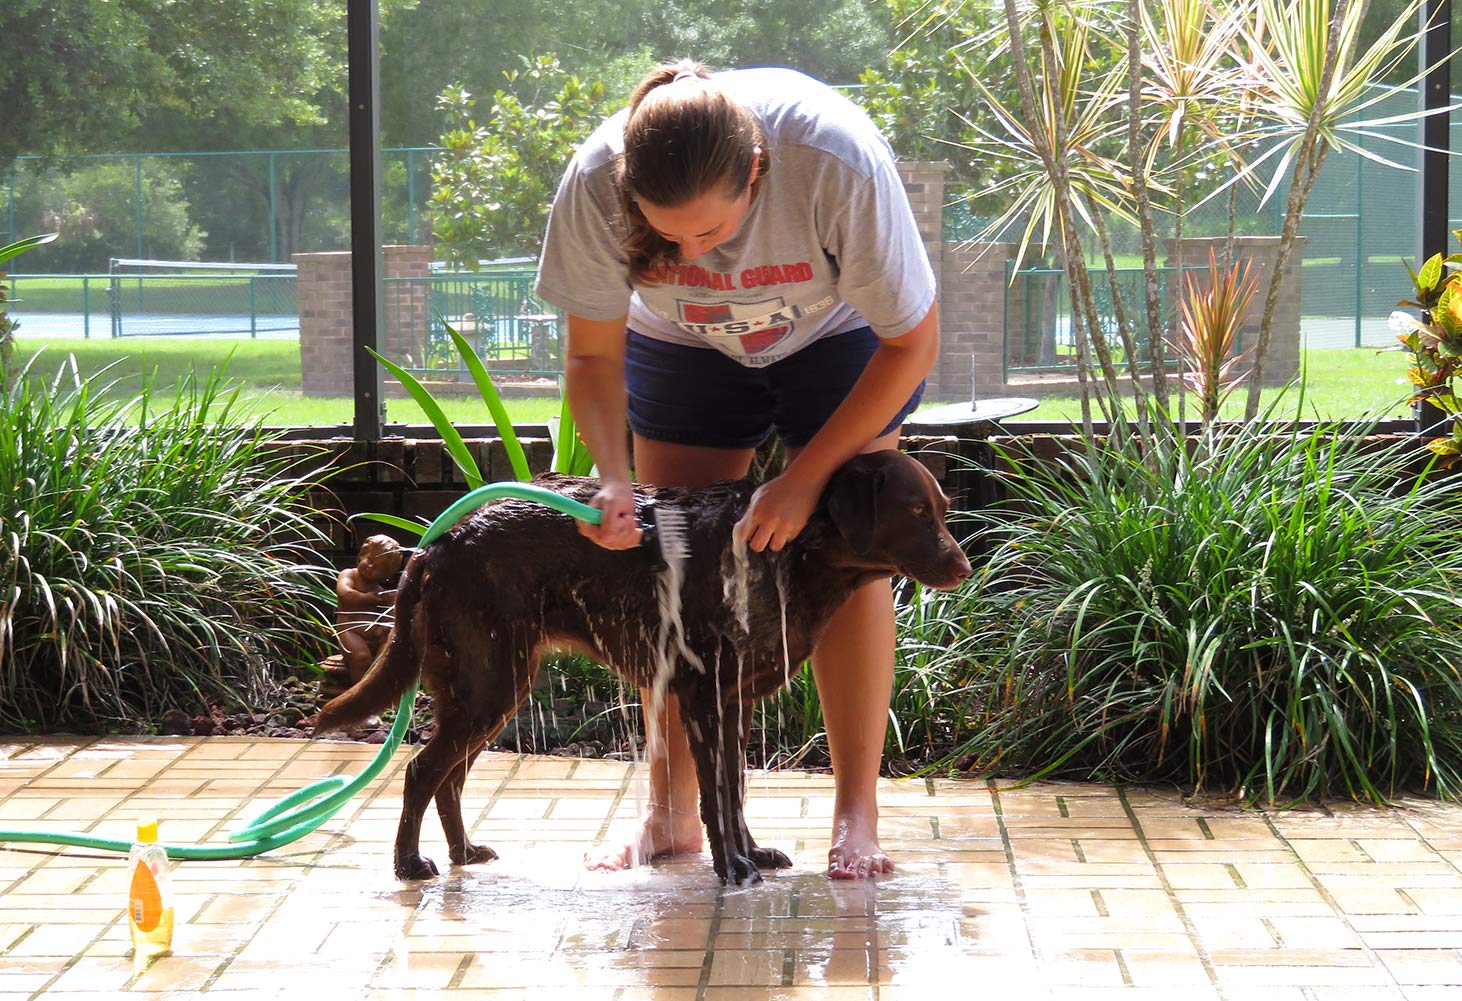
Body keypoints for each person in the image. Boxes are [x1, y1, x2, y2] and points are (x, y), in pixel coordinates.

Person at [535, 59, 939, 879]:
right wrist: (613, 476)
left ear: (756, 170)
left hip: (840, 336)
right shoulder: (594, 182)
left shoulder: (836, 162)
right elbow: (589, 355)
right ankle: (670, 814)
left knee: (852, 553)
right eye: (667, 237)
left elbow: (914, 343)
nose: (692, 254)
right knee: (679, 566)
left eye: (711, 233)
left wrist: (805, 478)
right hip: (684, 345)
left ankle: (856, 814)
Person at [333, 534, 404, 686]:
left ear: (387, 575)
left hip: (373, 636)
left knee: (386, 654)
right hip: (350, 631)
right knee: (361, 658)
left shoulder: (379, 591)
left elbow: (388, 613)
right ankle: (359, 693)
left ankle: (378, 690)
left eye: (378, 568)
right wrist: (369, 598)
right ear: (362, 554)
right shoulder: (349, 575)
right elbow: (345, 594)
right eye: (370, 560)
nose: (370, 567)